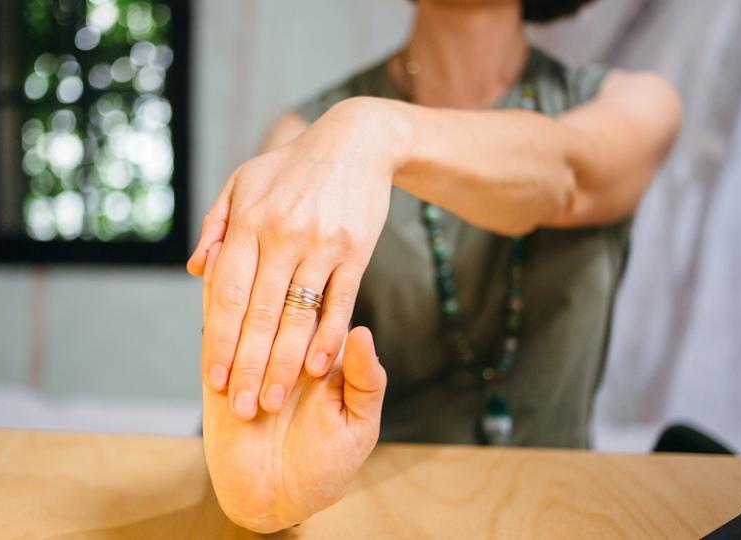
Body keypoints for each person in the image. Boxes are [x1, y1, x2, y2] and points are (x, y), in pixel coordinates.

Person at [188, 0, 682, 532]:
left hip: (564, 514)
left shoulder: (633, 102)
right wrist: (267, 493)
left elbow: (568, 174)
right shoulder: (303, 137)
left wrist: (376, 130)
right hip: (369, 513)